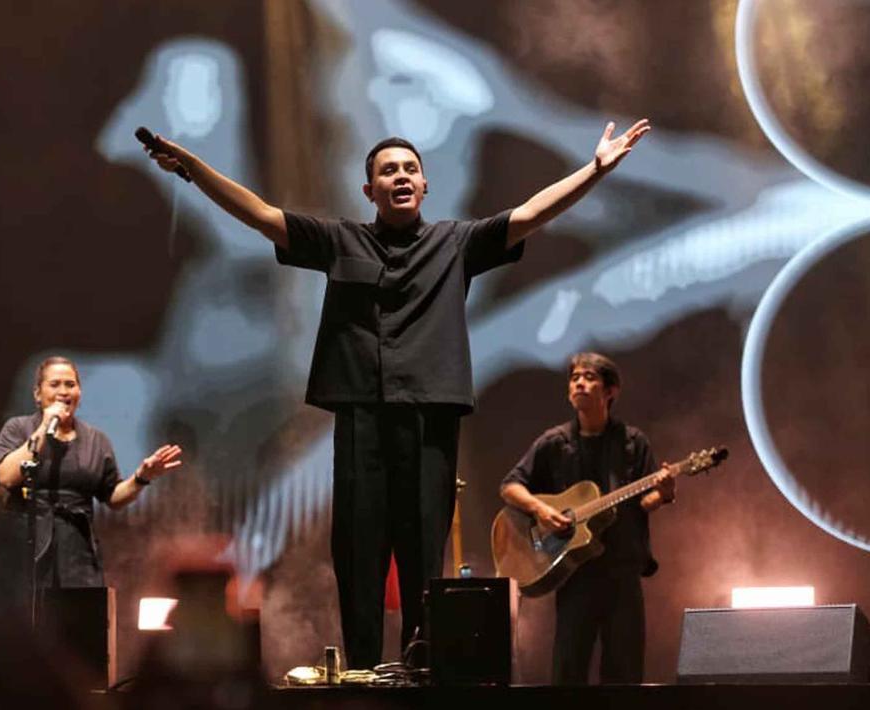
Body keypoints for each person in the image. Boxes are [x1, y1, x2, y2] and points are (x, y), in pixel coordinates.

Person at [146, 119, 650, 668]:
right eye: (389, 171)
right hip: (361, 416)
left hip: (430, 417)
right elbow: (262, 216)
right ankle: (362, 671)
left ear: (425, 185)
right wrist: (193, 171)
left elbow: (531, 213)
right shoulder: (340, 240)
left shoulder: (456, 242)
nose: (401, 176)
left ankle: (419, 667)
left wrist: (596, 170)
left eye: (410, 169)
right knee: (359, 554)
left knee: (421, 555)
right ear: (371, 191)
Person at [500, 352, 674, 684]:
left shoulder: (632, 443)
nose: (580, 382)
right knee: (568, 672)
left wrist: (664, 493)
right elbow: (510, 487)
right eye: (575, 377)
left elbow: (646, 501)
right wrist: (542, 510)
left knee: (624, 674)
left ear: (611, 391)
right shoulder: (554, 443)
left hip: (622, 572)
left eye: (590, 377)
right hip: (574, 575)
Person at [0, 356, 182, 588]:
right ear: (37, 394)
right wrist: (44, 427)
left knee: (80, 618)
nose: (63, 391)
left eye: (70, 385)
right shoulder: (18, 428)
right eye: (54, 384)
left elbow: (113, 498)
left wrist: (142, 477)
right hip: (26, 547)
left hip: (77, 553)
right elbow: (6, 477)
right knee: (28, 618)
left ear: (79, 394)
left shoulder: (96, 440)